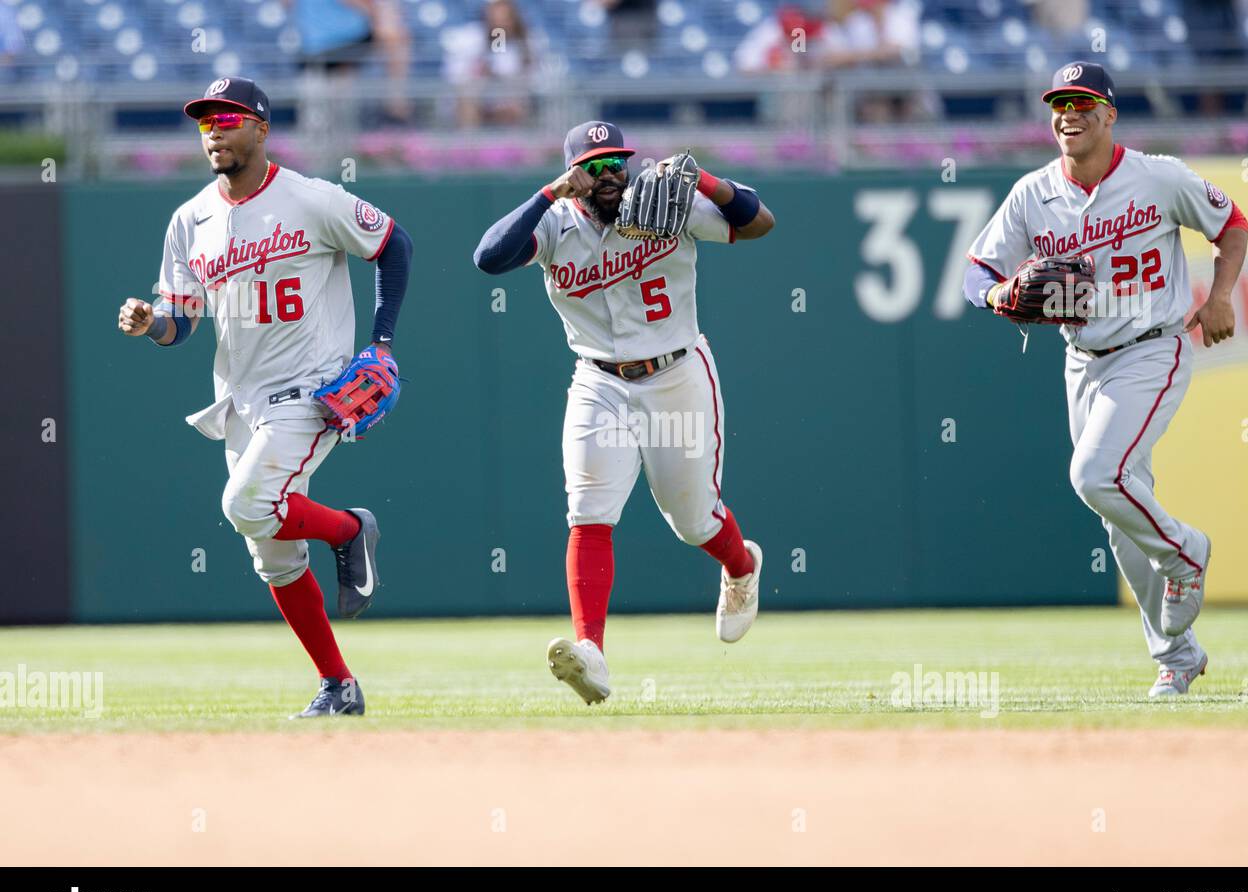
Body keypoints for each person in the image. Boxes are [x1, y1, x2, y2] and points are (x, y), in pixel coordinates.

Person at [115, 77, 415, 718]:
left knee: (246, 503)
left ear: (260, 128)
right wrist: (153, 325)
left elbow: (394, 244)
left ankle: (349, 529)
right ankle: (340, 685)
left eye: (227, 118)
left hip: (313, 390)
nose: (214, 130)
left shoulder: (310, 198)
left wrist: (382, 343)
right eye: (205, 122)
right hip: (239, 400)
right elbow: (182, 321)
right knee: (274, 558)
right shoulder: (189, 220)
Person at [963, 63, 1248, 697]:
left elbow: (1231, 224)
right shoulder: (1032, 193)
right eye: (1059, 103)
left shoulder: (1158, 176)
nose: (1069, 113)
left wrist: (1222, 294)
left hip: (1154, 346)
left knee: (1095, 476)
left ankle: (1185, 553)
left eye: (1083, 103)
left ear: (1110, 113)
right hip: (1082, 359)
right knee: (1116, 516)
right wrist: (1002, 293)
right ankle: (1177, 656)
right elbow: (975, 275)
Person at [472, 121, 775, 704]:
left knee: (693, 521)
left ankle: (740, 567)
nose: (612, 176)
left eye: (619, 163)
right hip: (598, 381)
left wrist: (707, 181)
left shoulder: (662, 204)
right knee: (588, 510)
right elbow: (488, 257)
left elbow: (761, 224)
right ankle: (592, 651)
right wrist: (549, 194)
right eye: (596, 166)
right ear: (574, 175)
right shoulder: (557, 225)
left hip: (676, 372)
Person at [443, 0, 538, 128]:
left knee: (515, 103)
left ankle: (514, 145)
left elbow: (534, 77)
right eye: (495, 19)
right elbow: (453, 73)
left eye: (505, 19)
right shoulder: (470, 38)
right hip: (477, 97)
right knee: (467, 100)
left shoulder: (526, 43)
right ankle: (469, 144)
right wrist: (478, 72)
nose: (499, 25)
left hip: (508, 98)